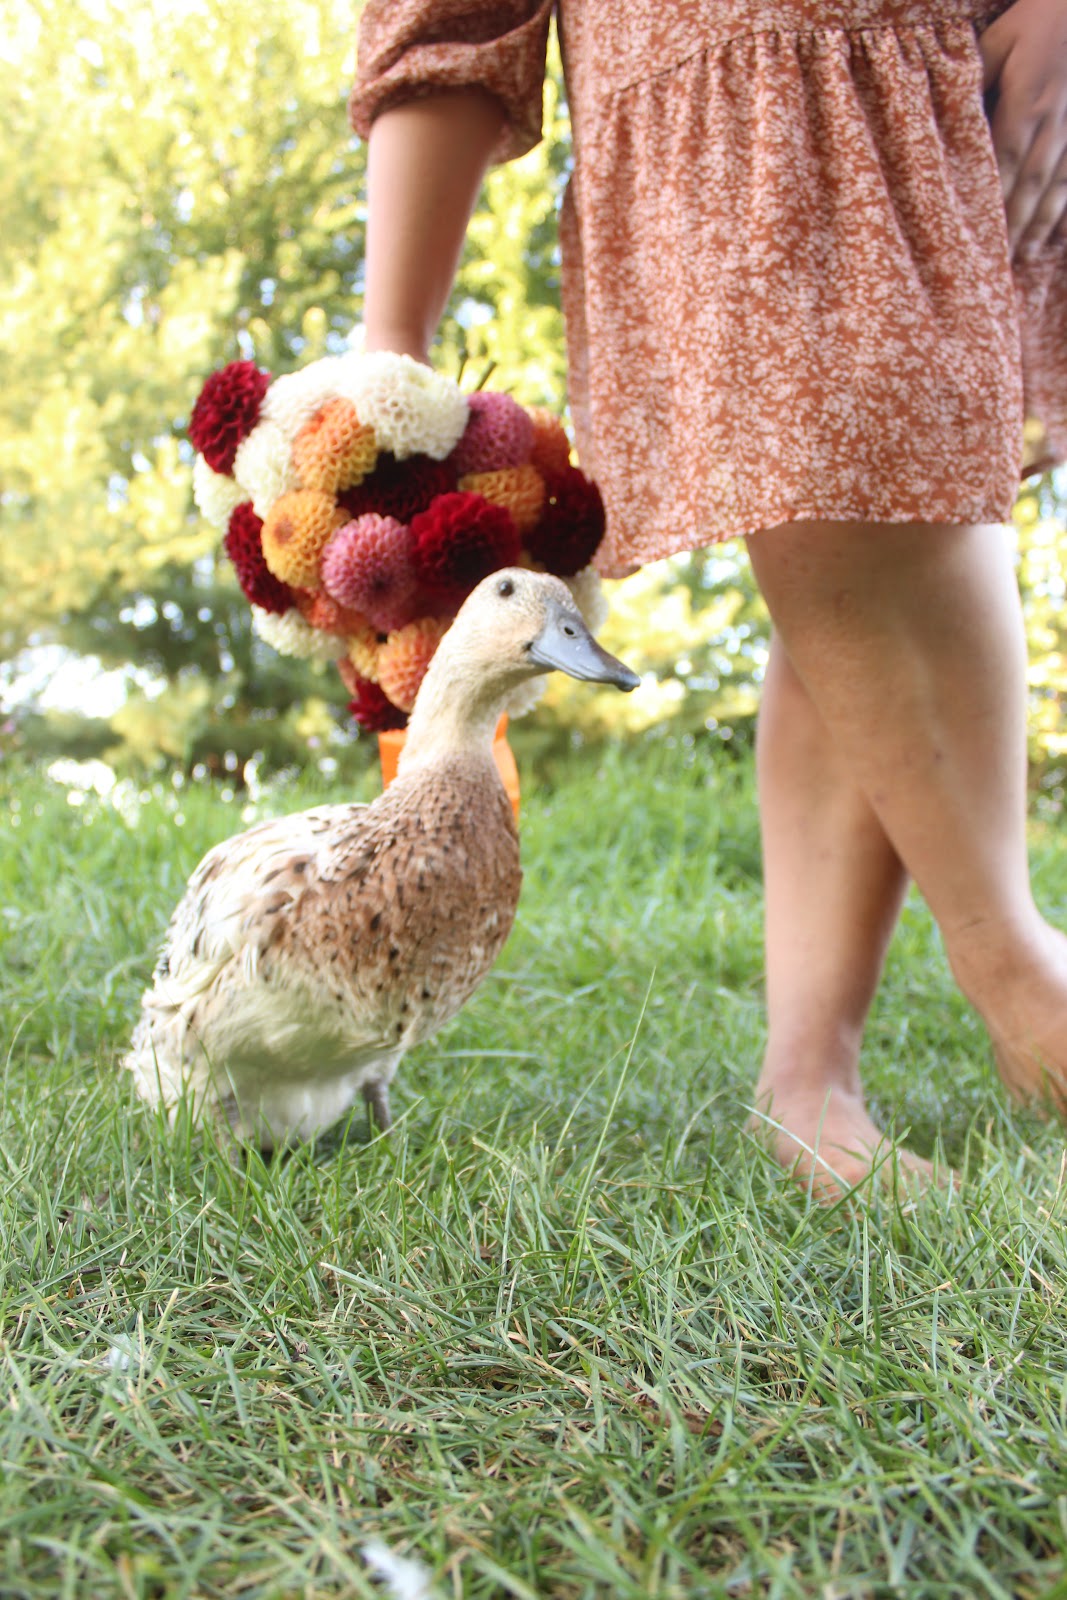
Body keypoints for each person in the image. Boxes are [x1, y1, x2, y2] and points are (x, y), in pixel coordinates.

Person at [348, 0, 1067, 1197]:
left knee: (895, 489)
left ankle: (808, 1084)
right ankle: (1019, 987)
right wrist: (390, 345)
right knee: (841, 461)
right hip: (744, 53)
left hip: (978, 58)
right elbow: (450, 22)